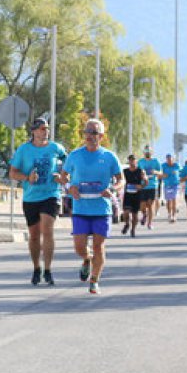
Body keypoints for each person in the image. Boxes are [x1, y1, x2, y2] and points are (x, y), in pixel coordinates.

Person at [64, 119, 122, 295]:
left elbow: (121, 180)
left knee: (98, 246)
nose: (90, 136)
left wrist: (112, 189)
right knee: (79, 247)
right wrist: (69, 187)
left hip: (101, 208)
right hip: (81, 207)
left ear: (101, 136)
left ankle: (94, 280)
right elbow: (63, 176)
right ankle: (87, 259)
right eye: (87, 132)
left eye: (94, 133)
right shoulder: (74, 155)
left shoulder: (109, 157)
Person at [7, 117, 67, 286]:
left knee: (47, 229)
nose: (45, 131)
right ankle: (36, 268)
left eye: (47, 128)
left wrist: (62, 176)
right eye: (42, 128)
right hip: (31, 197)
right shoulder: (24, 150)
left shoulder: (56, 148)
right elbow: (12, 173)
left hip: (51, 194)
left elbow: (68, 164)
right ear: (33, 131)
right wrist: (27, 178)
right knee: (34, 236)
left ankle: (48, 269)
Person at [136, 146, 161, 230]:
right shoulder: (140, 162)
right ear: (144, 152)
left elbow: (161, 172)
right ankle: (144, 214)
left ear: (152, 152)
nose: (147, 152)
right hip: (143, 186)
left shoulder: (156, 161)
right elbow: (137, 172)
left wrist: (155, 172)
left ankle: (150, 223)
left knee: (150, 205)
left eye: (149, 150)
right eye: (146, 150)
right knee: (142, 206)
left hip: (152, 185)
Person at [120, 155, 145, 237]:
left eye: (133, 160)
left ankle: (133, 229)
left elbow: (146, 181)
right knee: (126, 212)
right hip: (127, 194)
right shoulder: (125, 171)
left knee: (135, 214)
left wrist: (141, 186)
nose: (132, 162)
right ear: (129, 161)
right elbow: (121, 180)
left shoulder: (140, 171)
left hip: (137, 195)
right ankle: (127, 224)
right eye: (130, 160)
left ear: (136, 161)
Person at [160, 153, 181, 223]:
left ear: (173, 159)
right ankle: (169, 214)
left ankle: (174, 215)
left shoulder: (177, 165)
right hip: (167, 185)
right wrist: (163, 175)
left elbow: (182, 172)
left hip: (175, 185)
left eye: (170, 159)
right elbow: (159, 174)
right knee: (168, 201)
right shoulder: (163, 165)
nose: (169, 161)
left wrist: (177, 172)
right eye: (168, 159)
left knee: (174, 200)